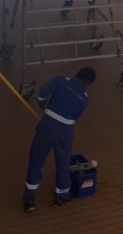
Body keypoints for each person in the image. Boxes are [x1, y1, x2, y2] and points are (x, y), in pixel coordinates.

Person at [22, 66, 96, 212]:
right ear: (88, 82)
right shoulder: (85, 98)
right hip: (65, 133)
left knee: (36, 160)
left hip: (47, 127)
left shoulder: (61, 80)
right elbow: (75, 117)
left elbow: (42, 93)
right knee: (63, 163)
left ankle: (29, 199)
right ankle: (61, 197)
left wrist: (42, 103)